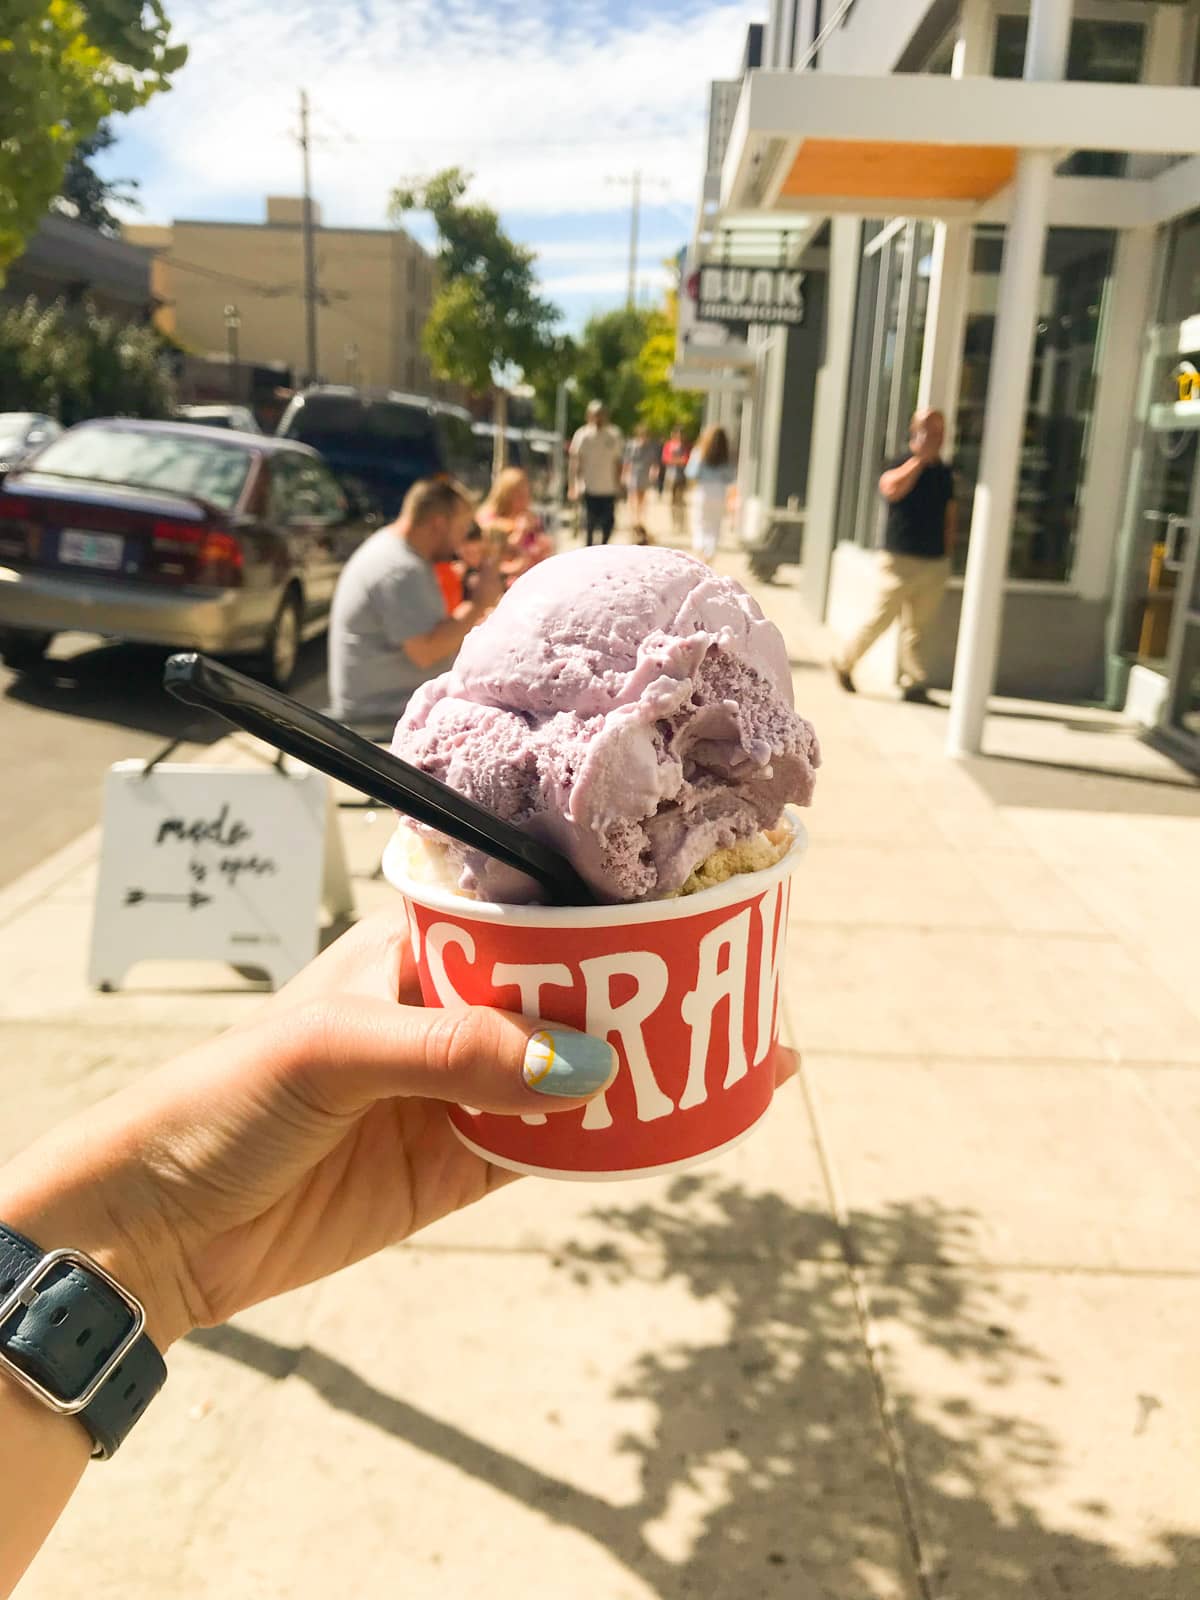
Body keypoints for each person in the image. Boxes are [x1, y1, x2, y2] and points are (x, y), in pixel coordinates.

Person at [329, 477, 502, 731]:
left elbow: (434, 633)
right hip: (381, 717)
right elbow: (427, 652)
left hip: (390, 706)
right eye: (462, 527)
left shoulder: (399, 554)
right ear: (439, 524)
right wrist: (478, 604)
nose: (463, 538)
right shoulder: (400, 569)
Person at [831, 408, 957, 704]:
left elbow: (951, 514)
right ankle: (844, 662)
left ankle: (914, 683)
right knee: (880, 617)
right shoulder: (901, 462)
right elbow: (890, 488)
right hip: (900, 560)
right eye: (928, 430)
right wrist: (919, 461)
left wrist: (948, 554)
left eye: (939, 432)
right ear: (915, 431)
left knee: (919, 629)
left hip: (934, 561)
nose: (935, 438)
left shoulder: (945, 472)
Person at [477, 467, 554, 585]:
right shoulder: (489, 520)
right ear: (505, 495)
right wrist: (520, 532)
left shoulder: (530, 518)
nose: (525, 500)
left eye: (526, 493)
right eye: (519, 495)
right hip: (501, 581)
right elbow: (495, 553)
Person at [569, 400, 623, 548]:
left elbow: (617, 462)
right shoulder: (582, 435)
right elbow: (576, 462)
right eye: (595, 415)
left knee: (608, 523)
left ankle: (603, 546)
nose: (598, 418)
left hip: (608, 487)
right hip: (589, 487)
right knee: (589, 523)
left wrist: (619, 484)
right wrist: (573, 485)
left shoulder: (614, 435)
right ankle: (589, 549)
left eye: (601, 415)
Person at [685, 425, 736, 563]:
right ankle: (709, 554)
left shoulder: (700, 452)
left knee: (699, 523)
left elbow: (691, 473)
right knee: (715, 526)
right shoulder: (726, 456)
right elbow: (730, 477)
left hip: (703, 490)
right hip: (719, 491)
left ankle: (701, 551)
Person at [622, 424, 657, 536]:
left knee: (642, 497)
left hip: (644, 474)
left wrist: (653, 472)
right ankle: (634, 519)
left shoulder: (650, 447)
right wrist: (624, 474)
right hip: (634, 473)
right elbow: (627, 461)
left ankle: (640, 519)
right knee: (633, 497)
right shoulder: (632, 445)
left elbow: (653, 462)